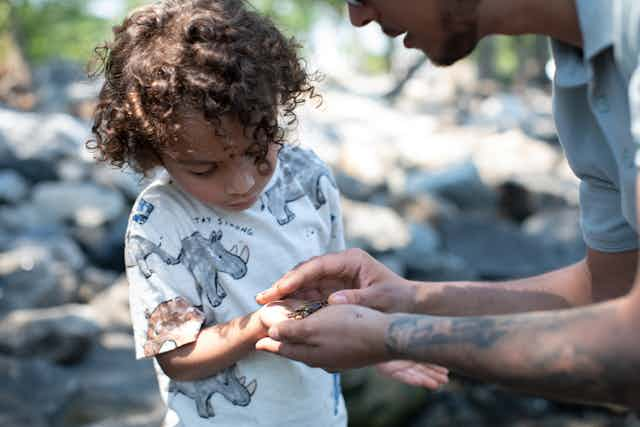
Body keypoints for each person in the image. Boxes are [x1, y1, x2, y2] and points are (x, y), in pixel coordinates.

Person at [255, 0, 640, 410]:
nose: (357, 17)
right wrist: (408, 298)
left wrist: (390, 336)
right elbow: (609, 287)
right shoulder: (581, 75)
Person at [88, 0, 450, 425]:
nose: (241, 182)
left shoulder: (307, 177)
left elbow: (339, 293)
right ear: (154, 153)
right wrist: (259, 325)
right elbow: (177, 357)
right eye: (204, 168)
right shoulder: (160, 219)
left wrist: (378, 346)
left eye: (257, 151)